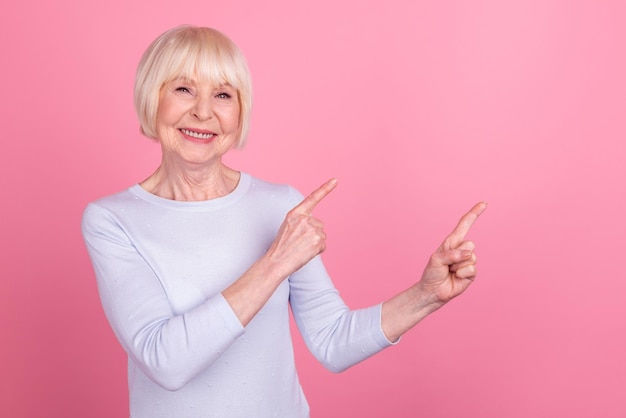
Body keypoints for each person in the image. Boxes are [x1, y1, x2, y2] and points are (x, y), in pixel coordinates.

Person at [81, 24, 486, 418]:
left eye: (223, 94)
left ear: (239, 113)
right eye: (183, 89)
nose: (203, 111)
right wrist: (275, 263)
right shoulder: (113, 220)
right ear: (152, 98)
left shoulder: (279, 205)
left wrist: (427, 295)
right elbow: (165, 361)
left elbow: (332, 340)